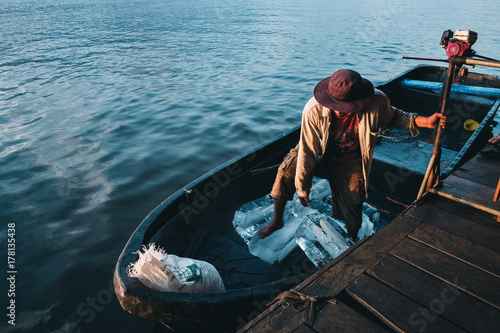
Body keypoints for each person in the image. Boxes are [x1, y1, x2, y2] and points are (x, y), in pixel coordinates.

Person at [258, 69, 446, 240]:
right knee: (286, 172)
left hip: (349, 155)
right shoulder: (312, 109)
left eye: (347, 108)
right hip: (318, 147)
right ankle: (277, 220)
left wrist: (426, 121)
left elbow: (395, 116)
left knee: (354, 200)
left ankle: (351, 239)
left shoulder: (377, 100)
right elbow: (308, 150)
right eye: (336, 106)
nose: (341, 112)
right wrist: (302, 187)